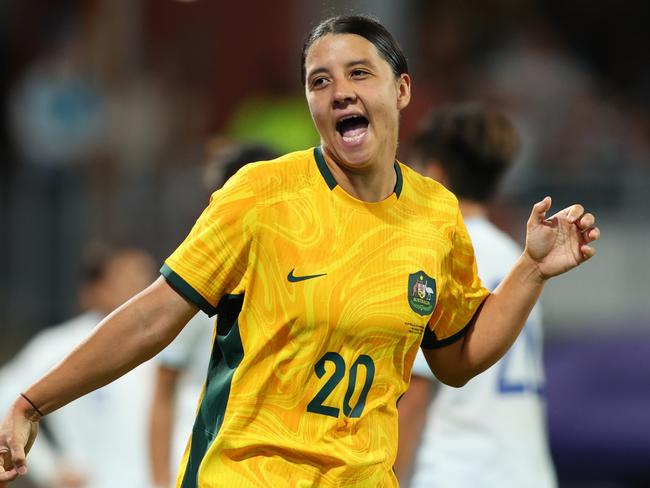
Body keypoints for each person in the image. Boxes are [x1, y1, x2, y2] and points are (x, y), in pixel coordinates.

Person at [0, 15, 599, 488]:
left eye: (359, 74)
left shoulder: (437, 215)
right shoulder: (262, 194)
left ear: (403, 89)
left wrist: (531, 272)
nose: (340, 93)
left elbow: (455, 360)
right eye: (320, 81)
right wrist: (33, 401)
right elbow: (156, 313)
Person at [394, 104, 558, 487]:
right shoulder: (515, 255)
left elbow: (415, 395)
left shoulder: (439, 254)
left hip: (458, 471)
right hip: (528, 473)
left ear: (433, 172)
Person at [148, 142, 279, 488]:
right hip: (202, 458)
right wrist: (160, 480)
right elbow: (163, 392)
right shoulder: (200, 287)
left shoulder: (296, 282)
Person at [0, 244, 156, 488]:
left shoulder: (170, 348)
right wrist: (50, 470)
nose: (139, 286)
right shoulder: (60, 346)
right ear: (94, 289)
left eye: (145, 277)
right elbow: (5, 400)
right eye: (125, 278)